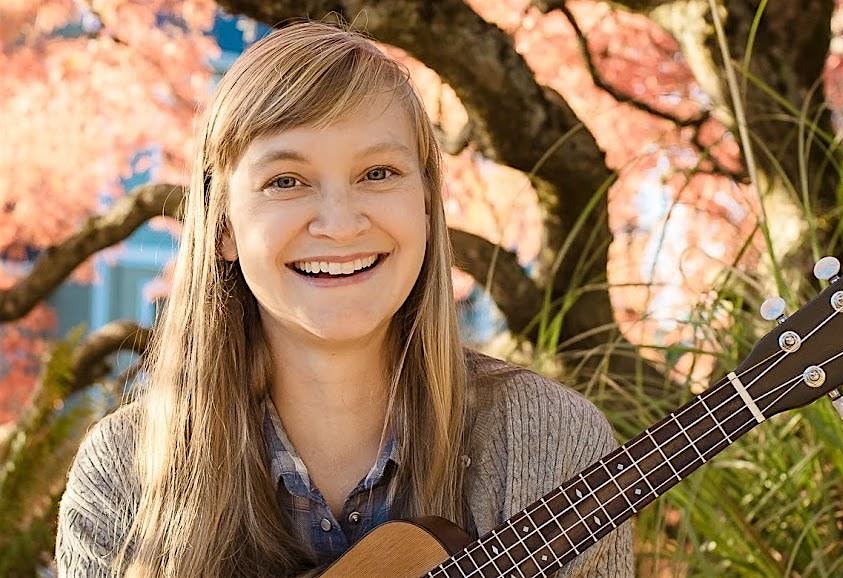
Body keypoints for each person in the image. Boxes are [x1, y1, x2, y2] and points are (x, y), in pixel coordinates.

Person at [55, 18, 634, 577]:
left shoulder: (552, 444)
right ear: (223, 226)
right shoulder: (122, 478)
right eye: (286, 181)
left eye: (378, 173)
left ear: (426, 206)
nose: (339, 224)